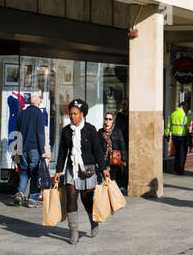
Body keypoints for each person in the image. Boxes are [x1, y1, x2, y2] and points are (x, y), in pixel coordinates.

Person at [53, 98, 107, 245]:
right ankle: (73, 231)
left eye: (75, 114)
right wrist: (58, 171)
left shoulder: (90, 130)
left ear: (82, 114)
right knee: (71, 199)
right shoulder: (66, 131)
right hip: (72, 169)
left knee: (87, 200)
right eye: (70, 114)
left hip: (88, 170)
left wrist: (103, 168)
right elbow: (62, 153)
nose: (72, 116)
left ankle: (94, 222)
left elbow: (98, 151)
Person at [13, 92, 49, 208]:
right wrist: (43, 150)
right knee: (34, 173)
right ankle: (32, 198)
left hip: (22, 148)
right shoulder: (38, 114)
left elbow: (17, 133)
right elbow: (40, 133)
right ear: (38, 103)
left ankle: (20, 192)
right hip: (34, 148)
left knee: (24, 171)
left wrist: (16, 149)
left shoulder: (22, 114)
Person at [99, 111, 127, 194]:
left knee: (114, 183)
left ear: (113, 121)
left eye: (110, 119)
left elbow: (122, 146)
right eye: (106, 119)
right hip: (104, 162)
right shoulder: (100, 132)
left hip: (115, 162)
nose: (107, 121)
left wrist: (124, 159)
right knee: (104, 184)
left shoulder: (117, 131)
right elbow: (97, 148)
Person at [165, 98, 191, 175]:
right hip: (183, 137)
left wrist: (167, 135)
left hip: (175, 137)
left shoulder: (173, 114)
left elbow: (168, 126)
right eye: (186, 106)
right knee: (182, 153)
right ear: (183, 106)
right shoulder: (185, 116)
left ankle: (176, 168)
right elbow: (189, 127)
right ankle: (180, 169)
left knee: (177, 153)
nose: (186, 108)